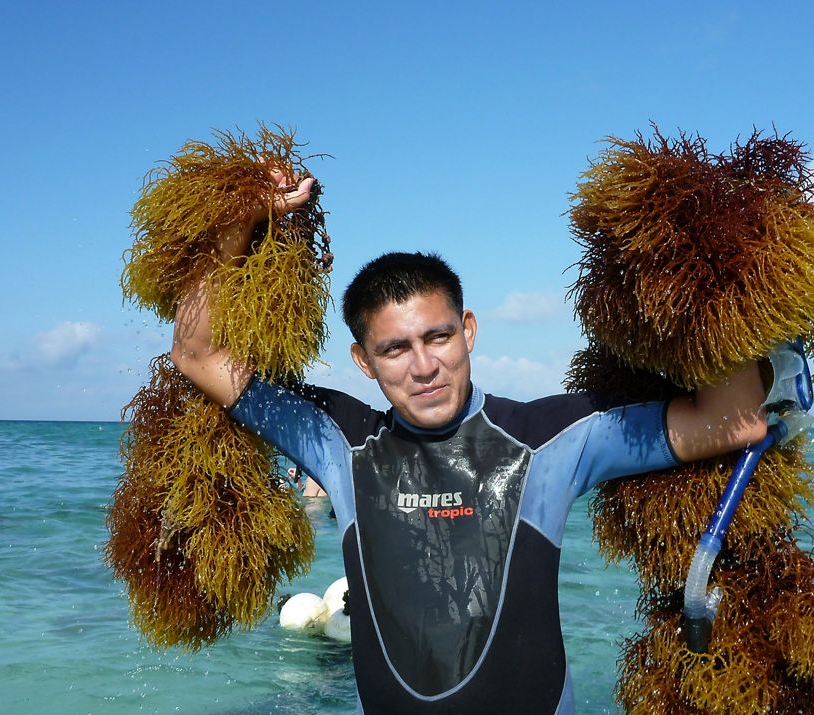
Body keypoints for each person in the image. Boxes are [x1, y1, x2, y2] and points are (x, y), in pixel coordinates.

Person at [170, 175, 782, 713]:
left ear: (468, 331)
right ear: (363, 361)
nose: (423, 366)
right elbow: (197, 355)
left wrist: (703, 257)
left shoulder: (551, 437)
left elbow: (735, 420)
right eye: (394, 349)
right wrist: (244, 220)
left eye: (437, 337)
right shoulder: (341, 442)